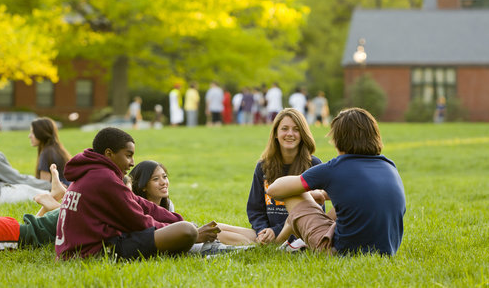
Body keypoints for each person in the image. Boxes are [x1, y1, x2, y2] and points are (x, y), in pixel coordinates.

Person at [267, 107, 406, 256]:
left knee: (293, 193)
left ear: (338, 139)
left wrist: (309, 192)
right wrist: (323, 194)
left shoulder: (335, 168)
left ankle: (277, 243)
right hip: (387, 250)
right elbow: (358, 193)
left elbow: (274, 190)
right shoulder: (388, 165)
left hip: (340, 252)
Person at [55, 127, 198, 260]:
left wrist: (177, 219)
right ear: (109, 154)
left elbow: (138, 202)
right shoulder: (104, 178)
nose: (132, 162)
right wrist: (186, 230)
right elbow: (139, 222)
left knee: (185, 226)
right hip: (95, 252)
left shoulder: (91, 172)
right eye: (128, 156)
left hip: (77, 249)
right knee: (186, 231)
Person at [129, 160, 258, 246]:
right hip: (179, 240)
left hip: (186, 234)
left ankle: (260, 236)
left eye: (165, 176)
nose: (163, 182)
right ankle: (257, 245)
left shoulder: (168, 204)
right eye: (156, 179)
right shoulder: (139, 208)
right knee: (217, 233)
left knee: (216, 226)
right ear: (143, 185)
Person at [247, 108, 322, 246]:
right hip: (268, 234)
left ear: (303, 134)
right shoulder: (263, 166)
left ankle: (269, 243)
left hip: (299, 235)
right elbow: (255, 208)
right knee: (220, 230)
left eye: (296, 129)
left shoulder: (314, 165)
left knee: (247, 240)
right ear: (276, 133)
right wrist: (262, 230)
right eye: (284, 129)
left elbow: (316, 212)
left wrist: (275, 231)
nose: (290, 134)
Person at [29, 117, 72, 187]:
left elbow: (44, 185)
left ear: (41, 133)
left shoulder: (46, 153)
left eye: (33, 132)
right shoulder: (58, 149)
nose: (29, 136)